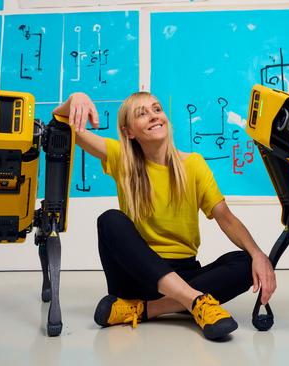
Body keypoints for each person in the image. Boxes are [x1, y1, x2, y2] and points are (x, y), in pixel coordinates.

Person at [53, 91, 276, 340]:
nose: (153, 116)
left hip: (184, 274)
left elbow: (226, 218)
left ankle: (147, 309)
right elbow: (63, 124)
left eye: (156, 109)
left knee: (246, 262)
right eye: (142, 113)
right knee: (110, 220)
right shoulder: (121, 157)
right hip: (135, 277)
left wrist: (258, 255)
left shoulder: (194, 165)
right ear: (129, 132)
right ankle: (194, 301)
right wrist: (74, 99)